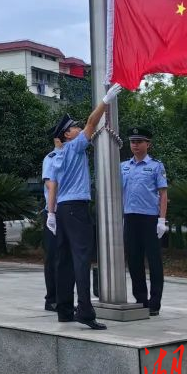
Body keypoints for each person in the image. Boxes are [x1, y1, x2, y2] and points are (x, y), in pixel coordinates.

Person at [46, 82, 122, 331]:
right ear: (66, 135)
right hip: (77, 208)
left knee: (65, 260)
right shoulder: (74, 147)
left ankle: (65, 311)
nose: (78, 129)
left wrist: (51, 212)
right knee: (81, 259)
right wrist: (106, 100)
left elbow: (53, 185)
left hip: (63, 210)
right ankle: (86, 311)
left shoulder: (55, 156)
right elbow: (92, 123)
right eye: (73, 128)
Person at [121, 127, 169, 317]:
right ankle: (141, 299)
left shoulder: (156, 166)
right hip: (130, 216)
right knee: (134, 260)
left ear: (148, 144)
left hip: (149, 218)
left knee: (154, 261)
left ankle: (155, 302)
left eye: (139, 142)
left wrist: (162, 219)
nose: (135, 145)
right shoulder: (123, 166)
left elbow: (163, 193)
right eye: (133, 142)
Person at [41, 136, 63, 312]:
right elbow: (50, 184)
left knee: (66, 256)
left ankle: (65, 296)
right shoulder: (51, 158)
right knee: (53, 257)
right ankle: (52, 298)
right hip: (53, 211)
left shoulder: (72, 156)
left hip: (68, 210)